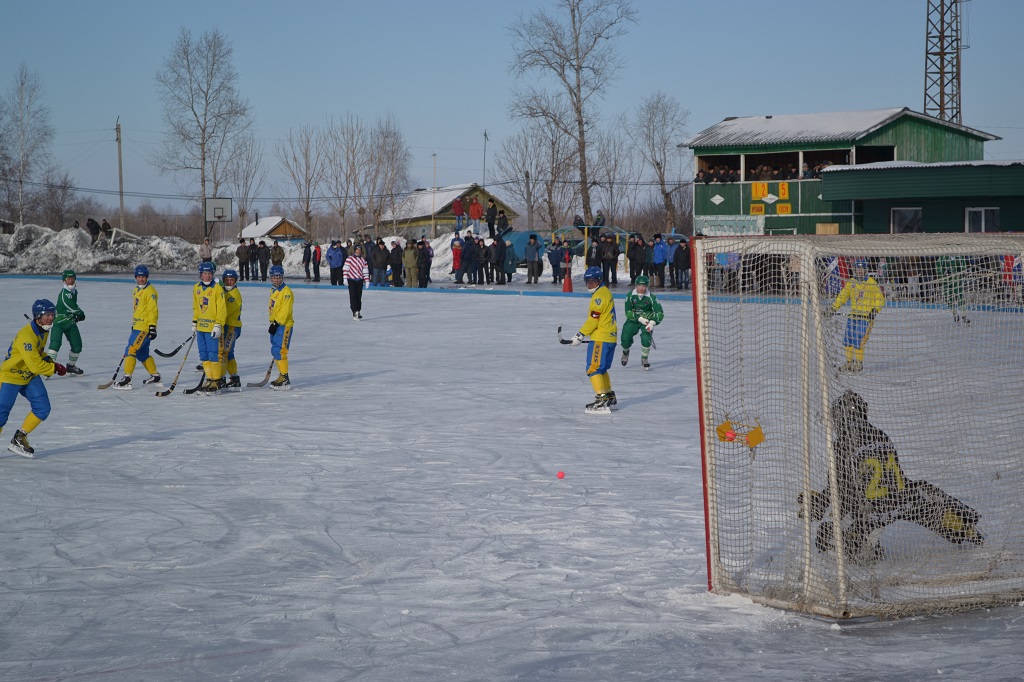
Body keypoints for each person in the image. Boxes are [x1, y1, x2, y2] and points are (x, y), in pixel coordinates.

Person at [799, 390, 984, 562]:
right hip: (900, 501)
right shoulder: (881, 435)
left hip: (869, 512)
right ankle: (963, 526)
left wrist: (821, 503)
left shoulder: (841, 446)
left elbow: (840, 489)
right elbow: (895, 478)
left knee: (825, 535)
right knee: (922, 493)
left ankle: (861, 545)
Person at [1, 299, 66, 457]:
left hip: (28, 376)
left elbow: (37, 354)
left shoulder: (43, 330)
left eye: (53, 315)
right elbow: (35, 366)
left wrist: (48, 360)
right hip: (11, 376)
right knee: (1, 415)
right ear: (38, 316)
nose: (51, 318)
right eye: (48, 315)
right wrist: (54, 368)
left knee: (43, 408)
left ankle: (20, 438)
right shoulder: (27, 335)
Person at [569, 267, 618, 412]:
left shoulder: (598, 297)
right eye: (588, 282)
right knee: (601, 369)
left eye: (593, 281)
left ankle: (601, 398)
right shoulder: (605, 292)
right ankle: (609, 395)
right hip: (610, 337)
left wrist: (580, 335)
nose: (590, 284)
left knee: (593, 368)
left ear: (600, 280)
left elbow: (593, 320)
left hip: (600, 338)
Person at [829, 258, 885, 372]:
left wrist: (874, 311)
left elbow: (880, 299)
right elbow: (843, 296)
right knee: (847, 339)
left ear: (866, 270)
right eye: (857, 269)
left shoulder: (871, 283)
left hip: (865, 318)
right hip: (853, 316)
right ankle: (849, 363)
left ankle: (859, 364)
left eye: (862, 269)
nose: (859, 271)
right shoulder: (851, 282)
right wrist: (833, 308)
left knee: (859, 340)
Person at [113, 265, 160, 389]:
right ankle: (155, 376)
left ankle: (127, 378)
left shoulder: (151, 292)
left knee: (131, 350)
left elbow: (152, 311)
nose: (141, 279)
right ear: (135, 277)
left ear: (147, 277)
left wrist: (152, 327)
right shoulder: (136, 290)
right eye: (139, 277)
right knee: (142, 354)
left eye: (143, 277)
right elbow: (138, 310)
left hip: (145, 328)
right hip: (137, 326)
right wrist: (133, 325)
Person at [192, 261, 227, 394]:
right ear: (200, 275)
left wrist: (218, 324)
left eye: (209, 273)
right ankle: (210, 378)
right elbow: (196, 307)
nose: (207, 276)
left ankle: (216, 381)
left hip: (213, 328)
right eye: (204, 273)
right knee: (204, 355)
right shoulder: (196, 288)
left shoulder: (218, 288)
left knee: (214, 355)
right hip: (201, 327)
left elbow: (222, 309)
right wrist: (195, 322)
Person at [46, 269, 86, 375]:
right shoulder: (64, 293)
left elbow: (71, 307)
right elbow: (70, 305)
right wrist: (80, 313)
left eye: (72, 278)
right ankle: (47, 368)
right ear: (64, 280)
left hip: (70, 322)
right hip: (59, 322)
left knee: (77, 346)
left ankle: (70, 366)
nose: (71, 280)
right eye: (68, 278)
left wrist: (76, 316)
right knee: (55, 344)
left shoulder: (74, 291)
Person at [620, 275, 663, 370]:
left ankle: (644, 358)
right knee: (625, 337)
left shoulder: (651, 297)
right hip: (634, 320)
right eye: (639, 285)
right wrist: (638, 318)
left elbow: (660, 313)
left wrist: (653, 322)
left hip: (647, 321)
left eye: (643, 286)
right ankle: (625, 352)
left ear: (647, 286)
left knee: (646, 338)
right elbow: (628, 312)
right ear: (636, 286)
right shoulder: (630, 296)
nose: (641, 288)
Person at [266, 265, 294, 389]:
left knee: (280, 350)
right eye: (274, 278)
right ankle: (281, 374)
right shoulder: (273, 291)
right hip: (275, 324)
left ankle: (284, 377)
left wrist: (276, 323)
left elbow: (285, 311)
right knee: (275, 350)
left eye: (278, 277)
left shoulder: (286, 291)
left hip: (283, 325)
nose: (276, 280)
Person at [219, 269, 243, 390]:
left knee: (224, 352)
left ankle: (221, 378)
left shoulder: (235, 294)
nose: (229, 282)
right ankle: (234, 378)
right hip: (226, 326)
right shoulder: (224, 291)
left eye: (231, 280)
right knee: (228, 353)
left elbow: (225, 311)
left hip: (232, 326)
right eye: (227, 280)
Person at [936, 254, 971, 325]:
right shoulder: (943, 257)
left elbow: (963, 268)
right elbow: (938, 268)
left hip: (957, 281)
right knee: (949, 299)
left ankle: (964, 315)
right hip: (946, 282)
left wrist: (960, 273)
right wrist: (944, 274)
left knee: (960, 298)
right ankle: (955, 314)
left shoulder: (959, 257)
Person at [343, 244, 370, 319]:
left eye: (360, 250)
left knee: (358, 297)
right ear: (355, 250)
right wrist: (345, 278)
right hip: (351, 280)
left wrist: (367, 280)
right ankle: (354, 311)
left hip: (359, 280)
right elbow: (346, 269)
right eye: (357, 250)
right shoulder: (350, 259)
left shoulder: (363, 260)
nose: (358, 251)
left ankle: (358, 310)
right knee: (353, 296)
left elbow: (365, 271)